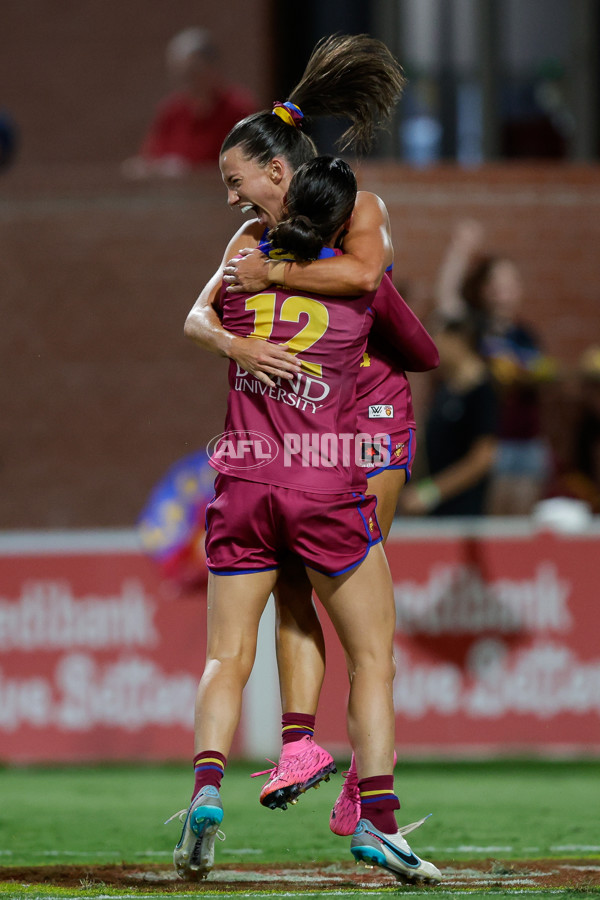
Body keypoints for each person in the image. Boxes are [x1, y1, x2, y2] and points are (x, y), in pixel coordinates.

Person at [183, 33, 438, 834]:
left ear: (278, 171)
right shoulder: (250, 240)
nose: (230, 200)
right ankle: (300, 743)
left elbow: (366, 279)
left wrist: (276, 278)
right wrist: (234, 339)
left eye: (236, 182)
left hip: (370, 413)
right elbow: (198, 312)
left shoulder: (357, 209)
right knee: (296, 575)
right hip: (305, 428)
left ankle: (366, 778)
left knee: (357, 595)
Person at [434, 219, 554, 515]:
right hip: (490, 444)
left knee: (520, 529)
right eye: (496, 283)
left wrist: (525, 373)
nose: (504, 290)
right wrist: (460, 251)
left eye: (510, 283)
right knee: (494, 524)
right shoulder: (476, 330)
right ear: (485, 289)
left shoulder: (526, 335)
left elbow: (541, 376)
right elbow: (447, 304)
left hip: (525, 441)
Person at [123, 28, 256, 178]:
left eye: (193, 72)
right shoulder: (171, 112)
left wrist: (189, 170)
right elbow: (150, 157)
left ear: (213, 69)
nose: (187, 81)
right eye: (180, 74)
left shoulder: (238, 109)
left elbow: (252, 164)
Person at [399, 319, 498, 517]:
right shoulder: (446, 388)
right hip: (437, 505)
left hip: (464, 507)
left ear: (458, 342)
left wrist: (432, 492)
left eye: (439, 339)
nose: (434, 345)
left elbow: (482, 458)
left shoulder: (483, 392)